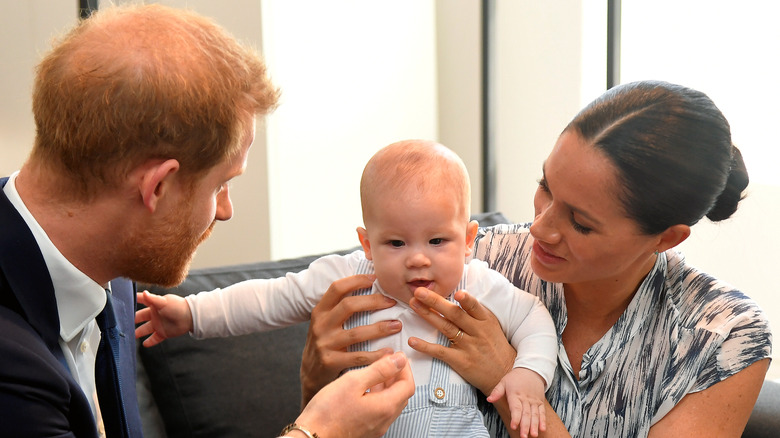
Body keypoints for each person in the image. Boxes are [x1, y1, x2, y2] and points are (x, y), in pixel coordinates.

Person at [0, 4, 413, 438]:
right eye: (220, 185)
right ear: (157, 187)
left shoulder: (112, 272)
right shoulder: (12, 367)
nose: (225, 210)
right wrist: (318, 432)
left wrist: (314, 395)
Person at [298, 81, 773, 437]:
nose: (540, 227)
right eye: (545, 186)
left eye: (580, 222)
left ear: (666, 238)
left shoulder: (723, 339)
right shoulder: (466, 259)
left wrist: (507, 376)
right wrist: (317, 373)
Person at [135, 139, 558, 438]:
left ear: (468, 240)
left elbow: (534, 318)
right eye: (395, 243)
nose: (417, 258)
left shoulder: (477, 282)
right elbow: (269, 298)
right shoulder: (347, 277)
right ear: (366, 243)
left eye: (437, 241)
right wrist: (191, 314)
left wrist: (527, 375)